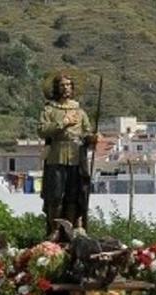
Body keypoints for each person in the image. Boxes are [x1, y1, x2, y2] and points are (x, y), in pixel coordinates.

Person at [37, 73, 96, 235]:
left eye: (69, 85)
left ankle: (70, 229)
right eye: (62, 85)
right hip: (56, 156)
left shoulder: (80, 111)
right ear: (56, 88)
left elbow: (86, 132)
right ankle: (54, 230)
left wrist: (92, 138)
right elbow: (42, 130)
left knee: (73, 195)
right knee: (55, 195)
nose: (66, 88)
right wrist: (63, 123)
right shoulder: (49, 109)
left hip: (76, 157)